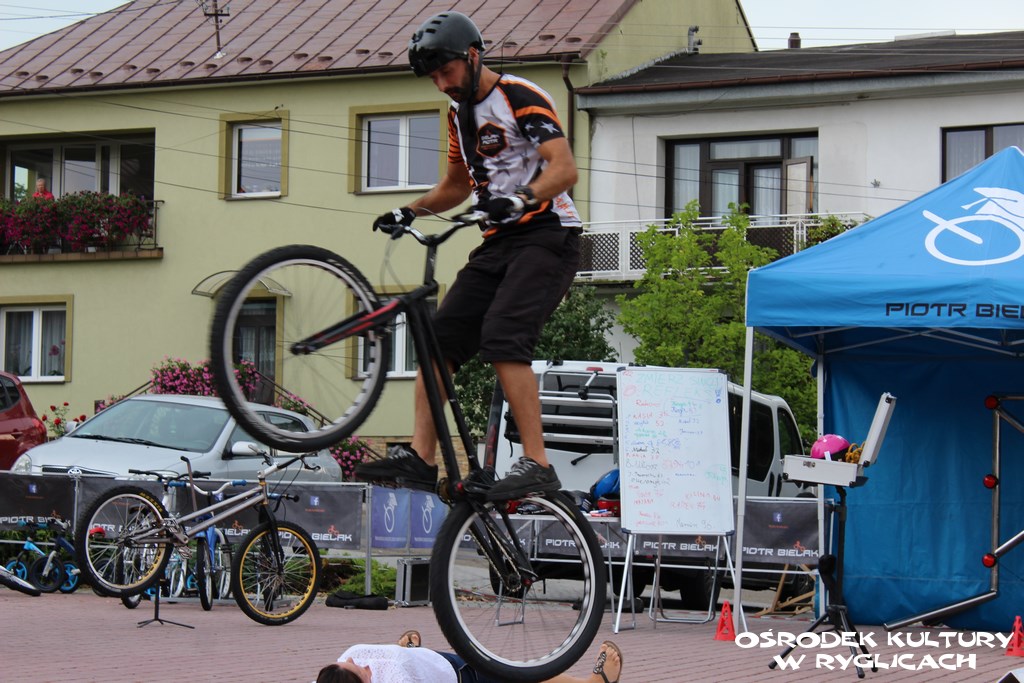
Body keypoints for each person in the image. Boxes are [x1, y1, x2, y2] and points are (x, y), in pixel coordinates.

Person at [354, 10, 582, 501]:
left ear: (473, 56)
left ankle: (538, 463)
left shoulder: (519, 96)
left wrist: (520, 198)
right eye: (433, 77)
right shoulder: (459, 114)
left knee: (503, 336)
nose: (442, 84)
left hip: (549, 234)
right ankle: (421, 457)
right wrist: (409, 210)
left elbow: (564, 168)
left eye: (446, 71)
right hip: (499, 240)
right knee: (437, 343)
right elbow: (457, 186)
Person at [315, 631, 623, 683]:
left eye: (349, 662)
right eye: (362, 672)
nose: (360, 662)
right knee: (517, 675)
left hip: (430, 660)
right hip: (460, 675)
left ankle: (410, 651)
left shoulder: (349, 659)